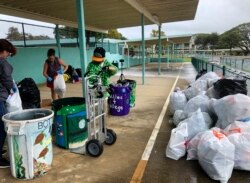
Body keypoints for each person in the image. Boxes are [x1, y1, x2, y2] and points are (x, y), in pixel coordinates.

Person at [0, 39, 17, 168]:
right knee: (2, 127)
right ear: (3, 50)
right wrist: (12, 87)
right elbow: (6, 79)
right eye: (8, 53)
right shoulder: (2, 62)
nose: (8, 55)